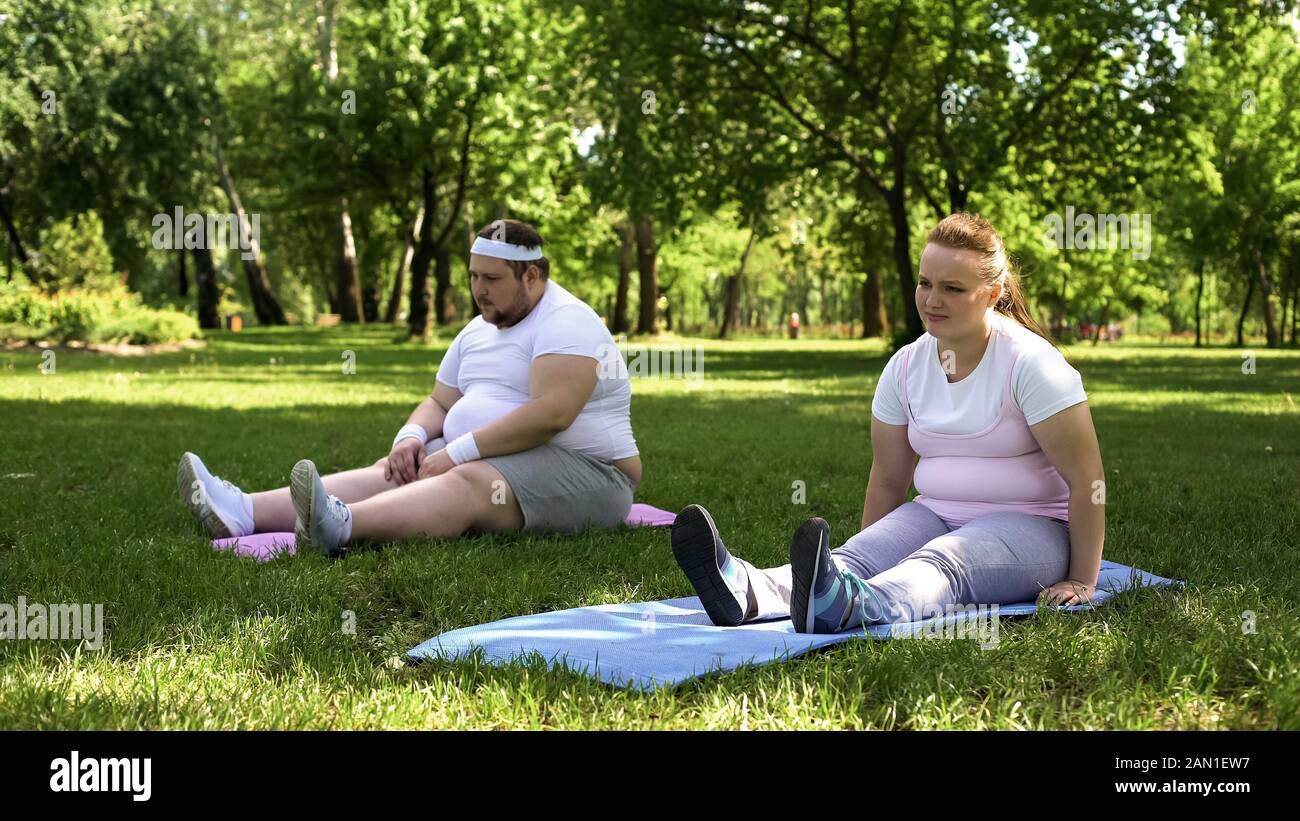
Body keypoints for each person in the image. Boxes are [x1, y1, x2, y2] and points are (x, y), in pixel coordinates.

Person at [670, 212, 1104, 633]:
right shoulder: (905, 367)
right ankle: (747, 591)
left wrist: (1083, 579)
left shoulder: (1032, 365)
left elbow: (1088, 479)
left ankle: (863, 605)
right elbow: (888, 478)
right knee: (851, 559)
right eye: (925, 283)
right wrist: (867, 558)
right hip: (935, 513)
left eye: (953, 288)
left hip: (1034, 528)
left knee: (942, 563)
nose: (933, 300)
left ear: (992, 294)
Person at [177, 219, 641, 557]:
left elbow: (550, 416)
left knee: (466, 479)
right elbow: (441, 400)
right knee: (399, 469)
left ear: (532, 276)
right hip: (495, 459)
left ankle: (341, 527)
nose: (479, 290)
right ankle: (242, 510)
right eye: (474, 277)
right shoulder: (480, 328)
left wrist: (457, 452)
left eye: (492, 280)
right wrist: (411, 437)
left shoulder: (567, 321)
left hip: (593, 475)